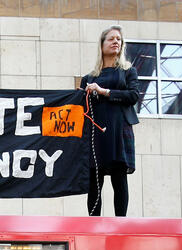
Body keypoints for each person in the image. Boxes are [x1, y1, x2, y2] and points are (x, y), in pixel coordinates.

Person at [79, 24, 140, 217]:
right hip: (96, 133)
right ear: (102, 44)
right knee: (94, 180)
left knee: (119, 177)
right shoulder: (88, 78)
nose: (116, 42)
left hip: (119, 129)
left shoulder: (128, 71)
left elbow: (133, 96)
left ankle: (120, 222)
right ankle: (93, 223)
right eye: (111, 38)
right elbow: (81, 107)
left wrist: (103, 91)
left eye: (119, 39)